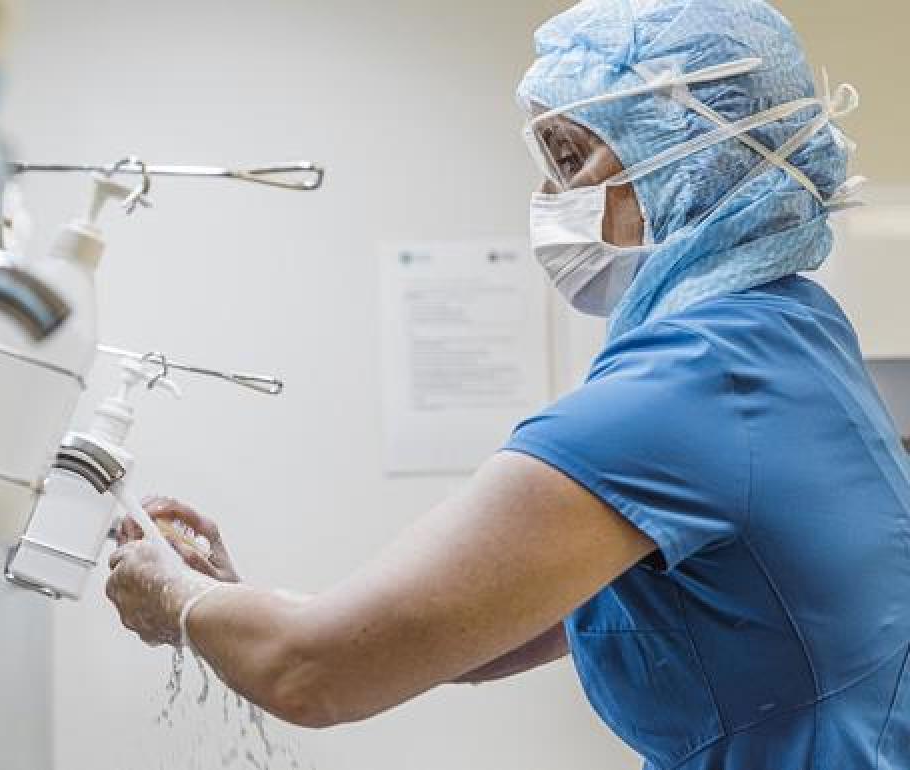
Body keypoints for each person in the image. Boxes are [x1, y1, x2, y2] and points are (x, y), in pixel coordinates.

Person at [105, 1, 910, 767]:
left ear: (683, 157)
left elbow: (314, 673)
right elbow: (464, 629)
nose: (550, 198)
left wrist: (176, 600)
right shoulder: (792, 329)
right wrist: (236, 608)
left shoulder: (683, 391)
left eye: (570, 157)